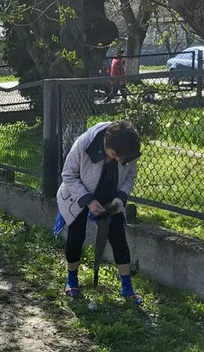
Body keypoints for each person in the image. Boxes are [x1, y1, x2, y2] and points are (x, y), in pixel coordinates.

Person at [56, 119, 143, 304]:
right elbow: (68, 175)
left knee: (119, 237)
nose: (119, 160)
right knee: (76, 235)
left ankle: (127, 287)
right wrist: (88, 201)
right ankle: (72, 279)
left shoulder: (127, 148)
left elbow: (130, 175)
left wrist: (121, 197)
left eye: (123, 157)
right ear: (106, 143)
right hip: (78, 196)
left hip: (110, 197)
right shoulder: (85, 143)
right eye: (115, 155)